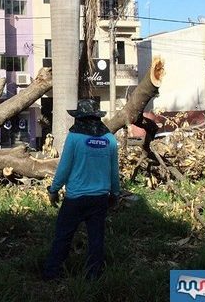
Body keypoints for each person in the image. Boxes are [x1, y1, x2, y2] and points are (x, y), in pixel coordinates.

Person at [43, 99, 120, 280]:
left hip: (75, 198)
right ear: (97, 118)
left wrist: (53, 189)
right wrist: (115, 194)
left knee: (63, 235)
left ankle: (52, 273)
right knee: (96, 238)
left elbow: (64, 167)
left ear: (79, 118)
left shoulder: (75, 137)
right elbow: (113, 171)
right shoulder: (109, 139)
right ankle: (93, 275)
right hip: (100, 198)